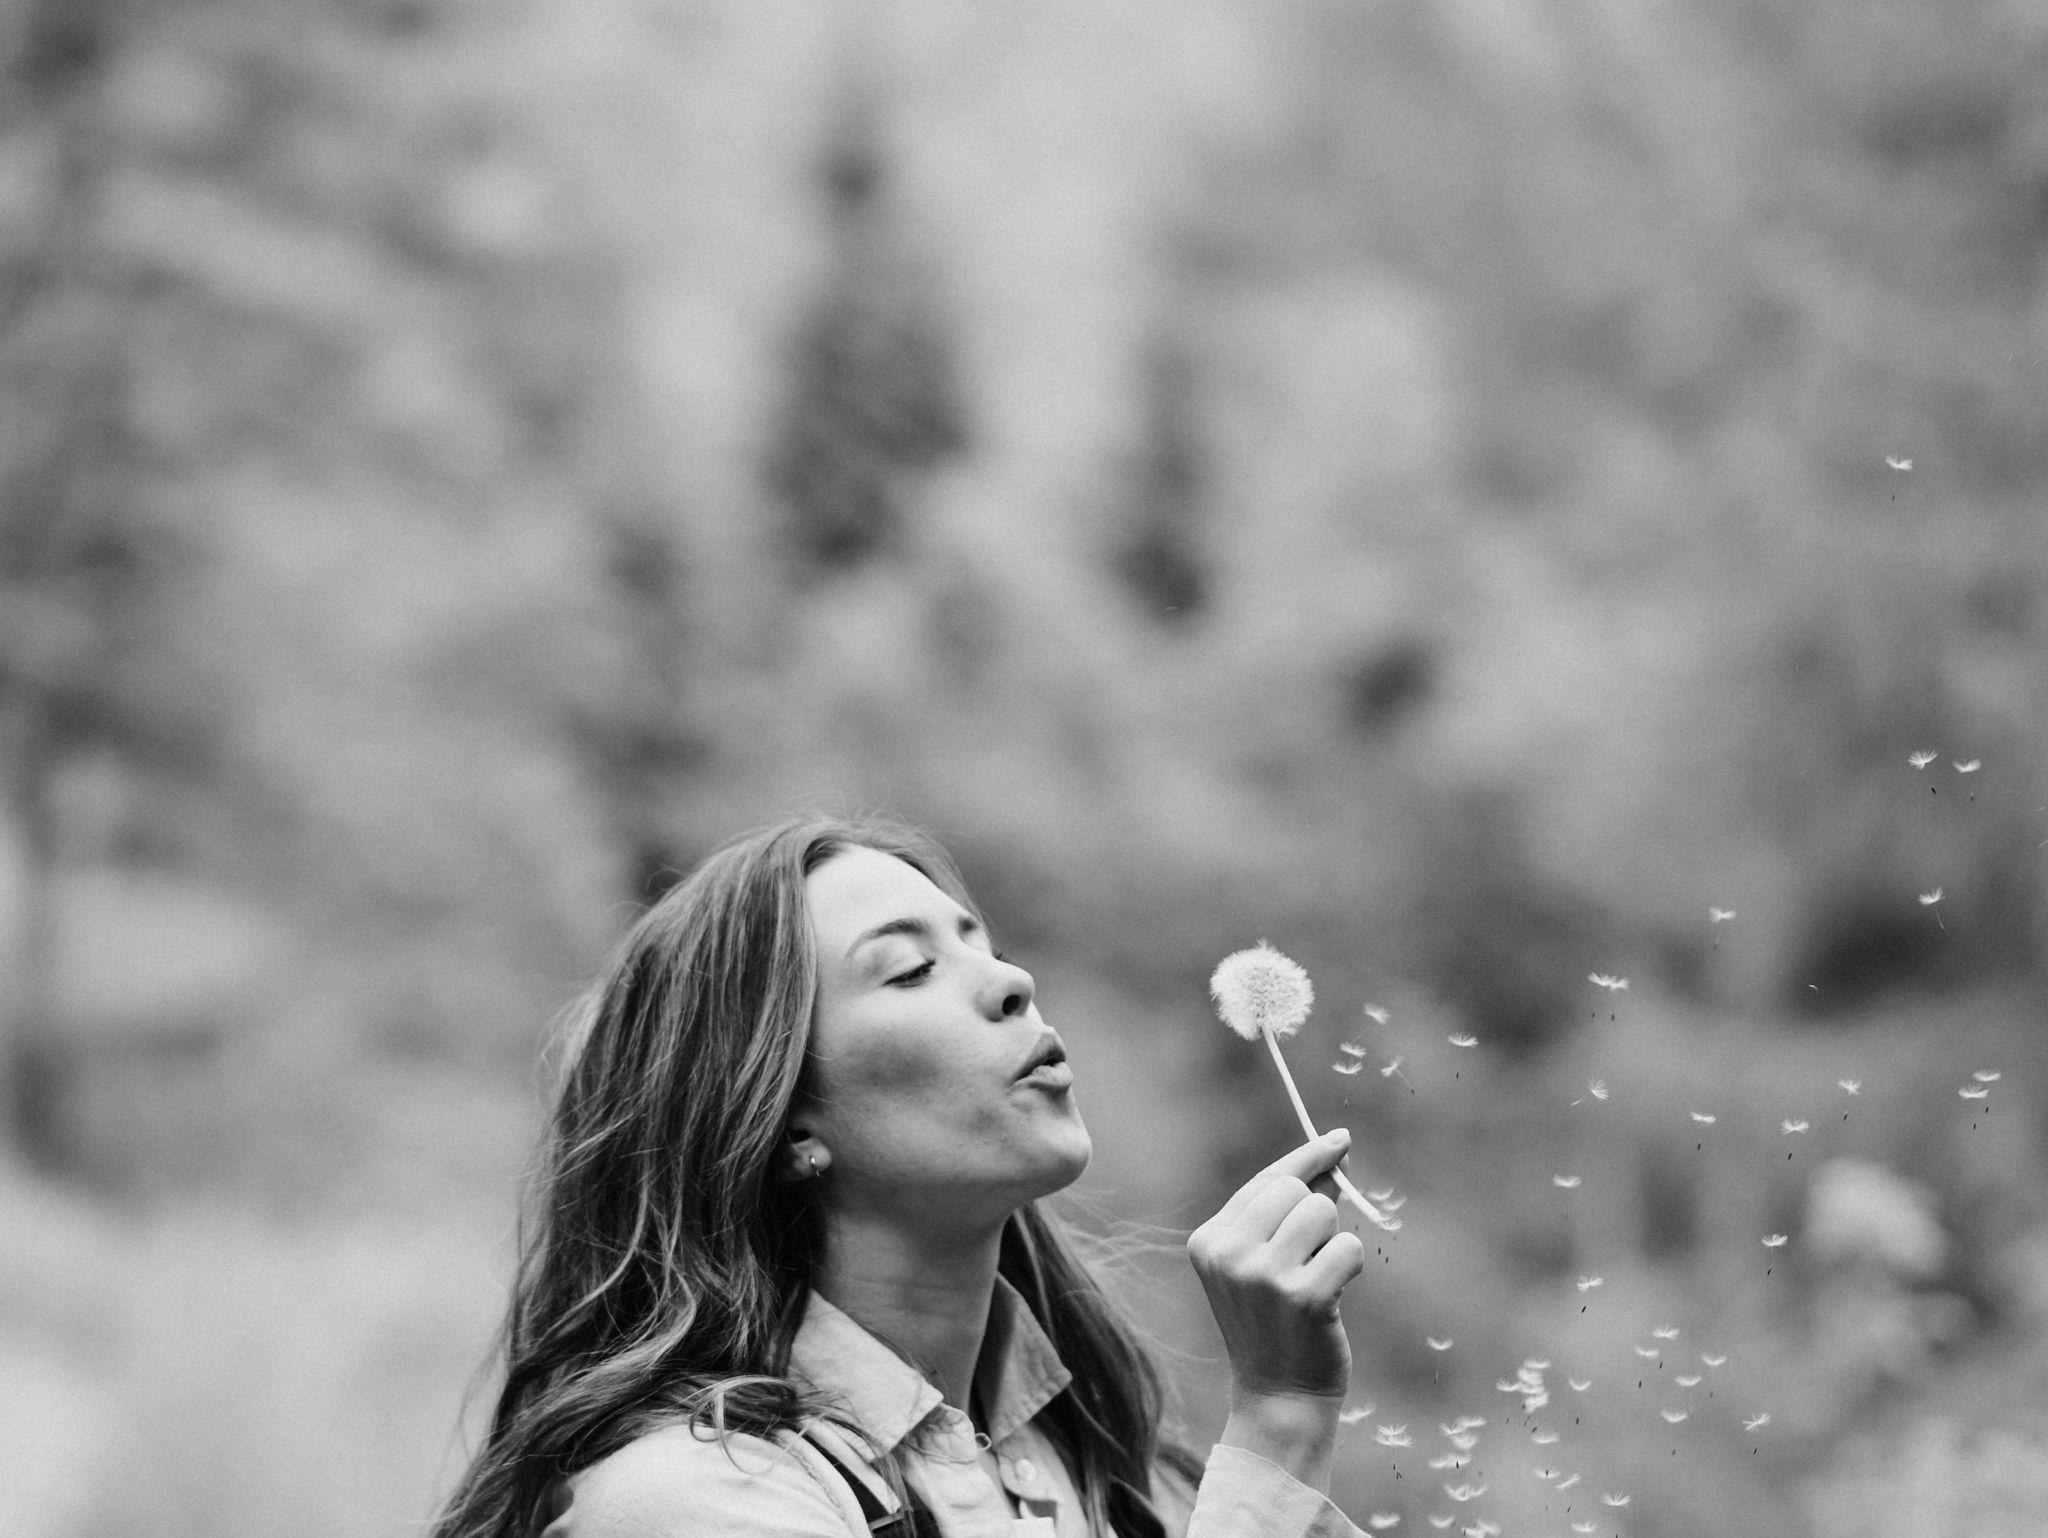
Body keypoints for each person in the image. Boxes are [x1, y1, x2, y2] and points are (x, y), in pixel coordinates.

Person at [432, 813, 1370, 1538]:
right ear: (782, 1118)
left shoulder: (1117, 1477)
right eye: (912, 970)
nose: (1011, 982)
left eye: (983, 945)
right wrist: (1280, 1419)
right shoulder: (690, 1502)